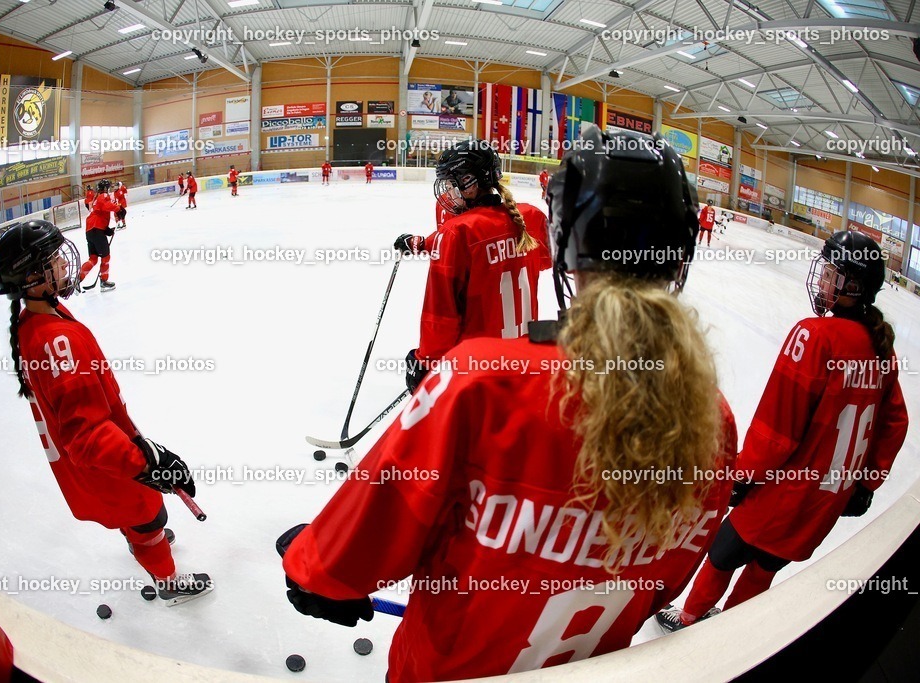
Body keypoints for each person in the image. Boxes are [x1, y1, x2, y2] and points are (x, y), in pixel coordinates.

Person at [279, 127, 737, 682]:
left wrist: (316, 566)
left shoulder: (478, 384)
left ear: (571, 240)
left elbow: (362, 540)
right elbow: (664, 578)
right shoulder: (715, 421)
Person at [656, 230, 908, 632]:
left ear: (853, 287)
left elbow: (778, 430)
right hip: (824, 502)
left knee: (722, 554)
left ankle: (688, 617)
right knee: (766, 566)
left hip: (783, 493)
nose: (822, 280)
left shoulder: (815, 336)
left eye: (832, 274)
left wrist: (742, 475)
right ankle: (728, 630)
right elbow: (896, 424)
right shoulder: (882, 351)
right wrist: (866, 484)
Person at [0, 220, 213, 606]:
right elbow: (88, 435)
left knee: (141, 516)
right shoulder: (56, 340)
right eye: (53, 261)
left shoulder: (37, 321)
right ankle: (168, 579)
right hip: (109, 466)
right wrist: (145, 464)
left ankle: (140, 536)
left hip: (104, 460)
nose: (64, 264)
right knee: (148, 521)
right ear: (31, 278)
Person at [392, 140, 550, 392]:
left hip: (475, 370)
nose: (448, 193)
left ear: (469, 183)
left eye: (452, 184)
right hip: (522, 361)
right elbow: (534, 259)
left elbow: (441, 317)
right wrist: (419, 243)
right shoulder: (530, 218)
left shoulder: (457, 233)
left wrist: (425, 363)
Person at [77, 179, 120, 292]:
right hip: (96, 230)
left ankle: (77, 281)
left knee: (93, 259)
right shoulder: (103, 196)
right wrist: (119, 209)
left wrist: (105, 229)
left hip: (90, 230)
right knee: (105, 257)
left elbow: (99, 213)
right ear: (105, 188)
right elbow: (107, 206)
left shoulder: (96, 198)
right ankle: (104, 282)